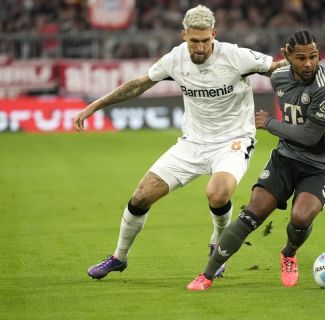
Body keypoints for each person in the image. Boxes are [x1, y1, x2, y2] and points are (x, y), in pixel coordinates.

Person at [74, 5, 286, 280]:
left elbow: (274, 69)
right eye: (193, 41)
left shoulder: (235, 55)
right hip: (192, 144)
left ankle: (217, 248)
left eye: (205, 41)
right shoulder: (175, 59)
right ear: (183, 35)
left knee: (218, 193)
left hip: (233, 140)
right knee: (141, 196)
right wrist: (95, 105)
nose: (199, 48)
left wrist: (300, 68)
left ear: (214, 34)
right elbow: (138, 84)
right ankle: (118, 257)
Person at [187, 30, 325, 290]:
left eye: (313, 57)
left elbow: (309, 137)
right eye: (301, 57)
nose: (308, 64)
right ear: (286, 56)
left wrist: (270, 123)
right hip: (285, 159)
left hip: (321, 165)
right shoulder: (279, 77)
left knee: (301, 217)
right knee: (252, 214)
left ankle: (289, 254)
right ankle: (206, 275)